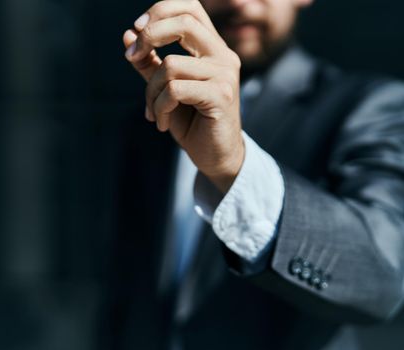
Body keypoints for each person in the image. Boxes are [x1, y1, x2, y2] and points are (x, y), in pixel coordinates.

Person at [96, 0, 404, 349]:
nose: (240, 3)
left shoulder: (370, 106)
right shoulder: (149, 122)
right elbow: (126, 291)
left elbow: (382, 279)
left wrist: (234, 167)